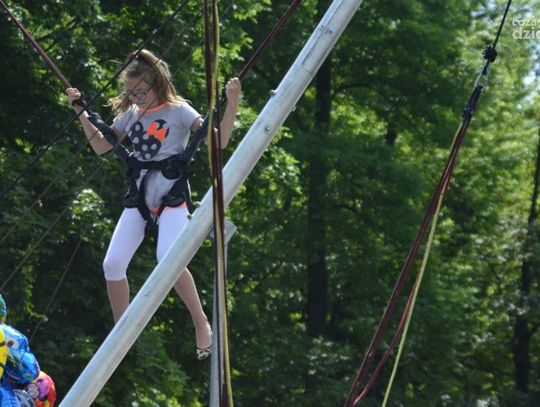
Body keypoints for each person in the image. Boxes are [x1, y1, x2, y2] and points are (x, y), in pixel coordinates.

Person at [66, 49, 241, 360]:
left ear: (157, 84)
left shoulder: (179, 111)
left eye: (141, 92)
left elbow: (219, 141)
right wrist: (81, 112)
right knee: (112, 264)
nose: (136, 99)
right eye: (131, 94)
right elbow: (102, 146)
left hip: (172, 197)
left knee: (167, 259)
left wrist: (233, 102)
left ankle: (200, 322)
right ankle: (122, 331)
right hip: (140, 198)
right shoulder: (130, 115)